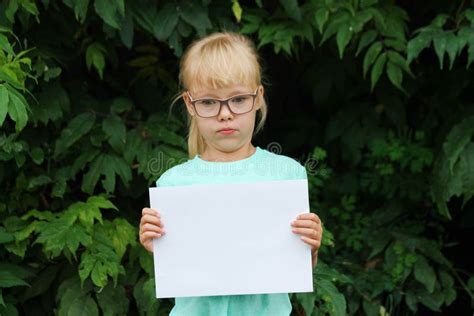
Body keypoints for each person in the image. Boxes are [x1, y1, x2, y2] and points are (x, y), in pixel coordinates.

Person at [139, 31, 323, 316]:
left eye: (237, 100)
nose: (225, 114)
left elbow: (294, 268)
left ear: (258, 98)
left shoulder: (286, 175)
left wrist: (310, 248)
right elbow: (178, 270)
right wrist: (158, 246)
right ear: (190, 104)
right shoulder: (173, 184)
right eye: (209, 102)